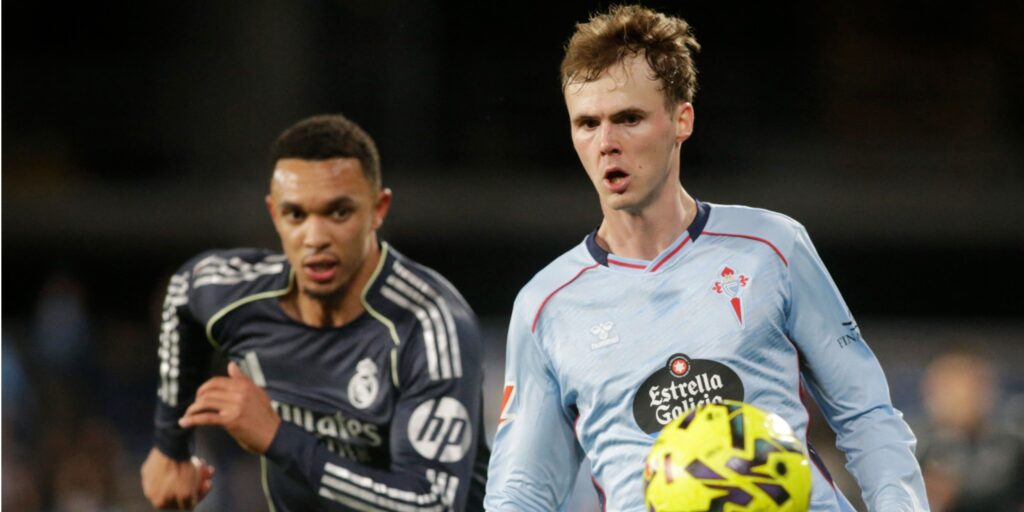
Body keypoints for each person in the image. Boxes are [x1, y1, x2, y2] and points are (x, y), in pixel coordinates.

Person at [485, 5, 928, 511]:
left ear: (682, 120)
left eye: (629, 119)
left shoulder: (771, 246)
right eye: (587, 123)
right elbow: (521, 491)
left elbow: (866, 414)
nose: (606, 143)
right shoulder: (546, 305)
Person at [140, 114, 490, 511]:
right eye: (296, 215)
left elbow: (431, 505)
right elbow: (183, 292)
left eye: (339, 213)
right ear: (274, 214)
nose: (316, 237)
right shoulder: (241, 297)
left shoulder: (428, 325)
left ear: (378, 209)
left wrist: (277, 438)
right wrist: (170, 449)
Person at [915, 351, 1024, 511]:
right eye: (947, 386)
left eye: (968, 385)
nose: (957, 397)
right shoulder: (914, 448)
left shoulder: (1014, 448)